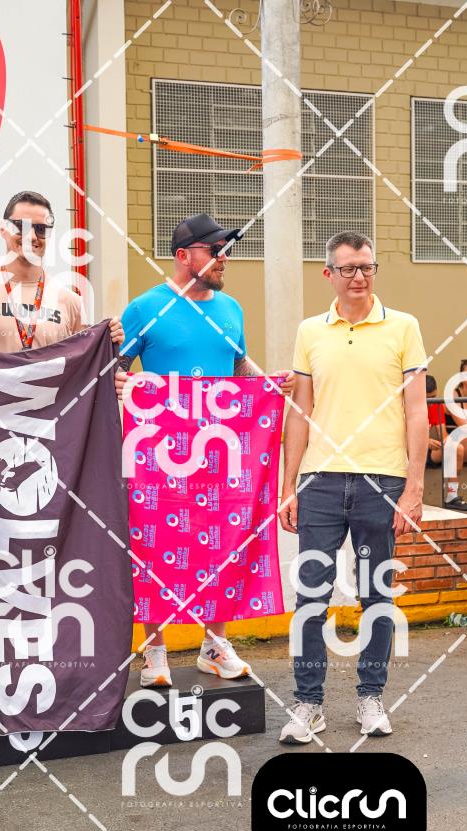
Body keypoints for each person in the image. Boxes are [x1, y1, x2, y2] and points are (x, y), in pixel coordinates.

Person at [115, 213, 294, 688]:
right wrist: (120, 383)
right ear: (183, 256)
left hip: (220, 452)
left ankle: (214, 645)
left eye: (226, 250)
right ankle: (154, 652)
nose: (224, 258)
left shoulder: (231, 308)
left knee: (224, 543)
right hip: (158, 456)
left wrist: (271, 384)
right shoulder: (145, 308)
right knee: (153, 545)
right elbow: (114, 367)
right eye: (215, 250)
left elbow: (238, 366)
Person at [278, 230, 428, 742]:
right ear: (329, 274)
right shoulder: (310, 332)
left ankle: (371, 697)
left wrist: (413, 488)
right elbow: (300, 412)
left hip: (380, 481)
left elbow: (416, 411)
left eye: (366, 267)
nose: (359, 276)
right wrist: (289, 485)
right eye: (348, 268)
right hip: (319, 481)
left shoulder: (403, 327)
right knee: (310, 598)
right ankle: (308, 704)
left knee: (376, 596)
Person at [0, 190, 123, 365]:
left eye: (40, 229)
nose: (32, 236)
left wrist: (109, 339)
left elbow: (87, 365)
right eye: (21, 226)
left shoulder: (70, 301)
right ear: (3, 230)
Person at [426, 374, 467, 511]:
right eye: (428, 398)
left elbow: (443, 434)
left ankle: (452, 496)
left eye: (434, 396)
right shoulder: (408, 405)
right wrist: (425, 441)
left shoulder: (436, 405)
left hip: (429, 451)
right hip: (410, 449)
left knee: (456, 447)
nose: (431, 401)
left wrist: (447, 441)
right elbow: (404, 436)